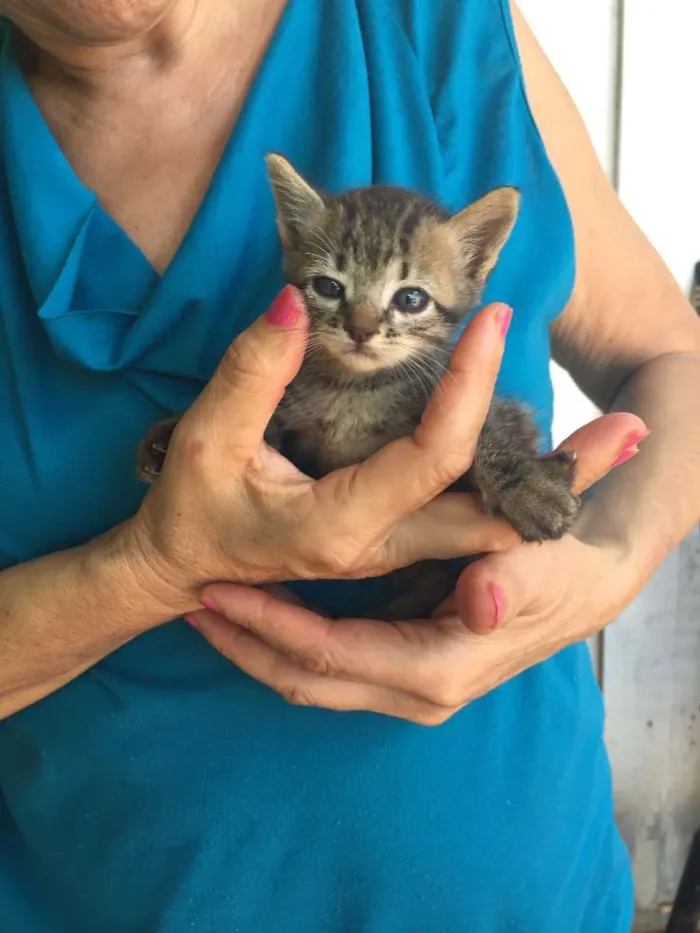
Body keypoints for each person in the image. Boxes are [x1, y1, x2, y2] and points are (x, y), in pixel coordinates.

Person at [0, 1, 698, 930]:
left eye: (403, 300)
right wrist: (153, 565)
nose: (367, 326)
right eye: (336, 290)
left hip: (528, 890)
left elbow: (673, 358)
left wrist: (601, 569)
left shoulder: (435, 28)